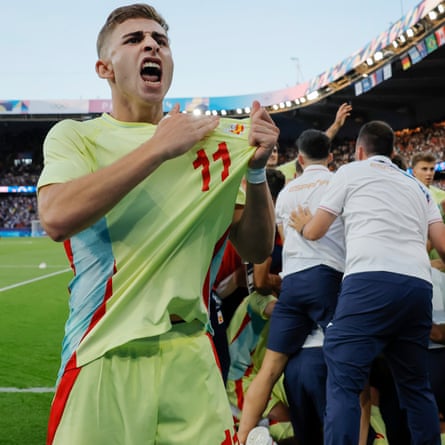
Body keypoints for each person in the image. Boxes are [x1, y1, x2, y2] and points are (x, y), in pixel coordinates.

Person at [37, 4, 279, 445]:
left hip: (193, 356)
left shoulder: (217, 145)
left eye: (160, 41)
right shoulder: (76, 136)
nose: (151, 45)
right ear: (104, 68)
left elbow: (257, 250)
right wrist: (157, 148)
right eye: (134, 40)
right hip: (104, 353)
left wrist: (257, 173)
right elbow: (55, 216)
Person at [291, 120, 445, 444]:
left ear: (359, 150)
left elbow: (318, 230)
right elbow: (442, 246)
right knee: (416, 387)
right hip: (418, 286)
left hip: (370, 281)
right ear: (392, 152)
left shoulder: (349, 172)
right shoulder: (418, 187)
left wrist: (304, 225)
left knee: (345, 382)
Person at [237, 129, 346, 444]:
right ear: (330, 157)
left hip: (294, 282)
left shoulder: (286, 193)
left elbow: (281, 238)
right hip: (330, 278)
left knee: (269, 369)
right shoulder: (340, 183)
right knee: (349, 364)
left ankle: (242, 436)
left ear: (298, 158)